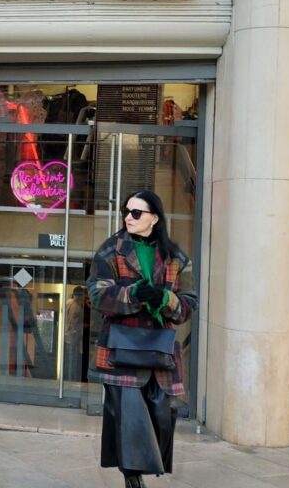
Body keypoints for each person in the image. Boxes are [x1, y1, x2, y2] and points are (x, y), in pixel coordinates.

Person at [86, 191, 197, 488]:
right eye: (126, 211)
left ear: (155, 218)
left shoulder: (176, 258)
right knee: (129, 419)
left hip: (161, 351)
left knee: (163, 415)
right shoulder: (110, 251)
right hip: (121, 349)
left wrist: (164, 298)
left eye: (137, 213)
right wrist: (132, 294)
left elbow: (188, 304)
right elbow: (97, 295)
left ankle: (138, 470)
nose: (128, 217)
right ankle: (132, 478)